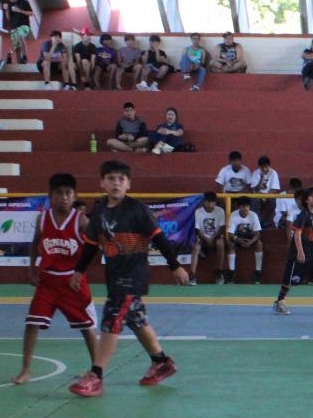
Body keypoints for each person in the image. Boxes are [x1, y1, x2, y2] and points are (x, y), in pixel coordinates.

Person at [66, 159, 190, 397]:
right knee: (135, 318)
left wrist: (175, 266)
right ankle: (161, 362)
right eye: (111, 178)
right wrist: (79, 270)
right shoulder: (100, 211)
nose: (116, 183)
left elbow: (160, 239)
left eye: (121, 179)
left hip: (132, 276)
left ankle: (96, 375)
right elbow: (91, 246)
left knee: (112, 317)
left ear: (128, 184)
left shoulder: (137, 210)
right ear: (102, 182)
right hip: (115, 275)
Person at [13, 173, 98, 384]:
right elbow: (34, 244)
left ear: (74, 195)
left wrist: (81, 271)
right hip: (48, 281)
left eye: (68, 193)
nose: (64, 197)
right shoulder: (43, 218)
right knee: (31, 323)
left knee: (86, 327)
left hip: (72, 281)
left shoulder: (81, 220)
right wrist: (32, 270)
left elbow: (94, 246)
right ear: (51, 196)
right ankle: (25, 369)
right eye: (59, 193)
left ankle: (97, 370)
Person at [274, 187, 313, 314]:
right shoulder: (303, 215)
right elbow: (297, 234)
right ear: (306, 200)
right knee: (291, 279)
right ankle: (279, 302)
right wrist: (300, 252)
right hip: (299, 249)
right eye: (312, 196)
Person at [190, 191, 228, 285]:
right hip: (203, 238)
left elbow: (221, 228)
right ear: (204, 202)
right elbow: (198, 229)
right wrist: (206, 239)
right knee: (196, 247)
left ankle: (219, 272)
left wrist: (212, 238)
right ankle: (192, 275)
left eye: (213, 202)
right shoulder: (198, 212)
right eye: (209, 202)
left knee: (221, 243)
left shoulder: (220, 211)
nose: (212, 204)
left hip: (215, 237)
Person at [227, 196, 263, 283]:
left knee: (259, 244)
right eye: (243, 206)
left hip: (250, 237)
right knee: (231, 245)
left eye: (247, 206)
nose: (245, 208)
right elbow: (230, 233)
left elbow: (257, 233)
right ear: (239, 207)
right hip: (238, 237)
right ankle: (231, 273)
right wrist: (238, 240)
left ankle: (258, 272)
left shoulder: (253, 215)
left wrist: (250, 242)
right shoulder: (233, 215)